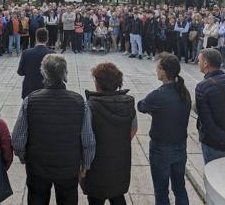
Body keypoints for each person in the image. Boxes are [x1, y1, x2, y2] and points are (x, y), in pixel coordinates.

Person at [12, 54, 95, 205]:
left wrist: (25, 157)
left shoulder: (30, 100)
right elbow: (88, 141)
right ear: (65, 73)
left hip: (37, 167)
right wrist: (85, 165)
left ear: (44, 73)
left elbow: (18, 140)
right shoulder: (79, 102)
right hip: (68, 168)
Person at [137, 54, 190, 205]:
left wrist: (154, 110)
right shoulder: (183, 92)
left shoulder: (159, 95)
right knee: (179, 187)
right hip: (180, 145)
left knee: (161, 190)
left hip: (161, 148)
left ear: (164, 72)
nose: (156, 70)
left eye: (158, 67)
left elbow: (141, 106)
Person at [82, 62, 136, 205]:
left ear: (99, 83)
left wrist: (84, 167)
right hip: (120, 161)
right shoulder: (129, 103)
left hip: (96, 166)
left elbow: (87, 139)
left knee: (95, 199)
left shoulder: (90, 106)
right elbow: (133, 129)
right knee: (117, 196)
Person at [17, 28, 51, 99]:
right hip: (46, 90)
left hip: (29, 89)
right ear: (47, 39)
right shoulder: (52, 54)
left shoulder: (26, 53)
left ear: (36, 38)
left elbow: (20, 72)